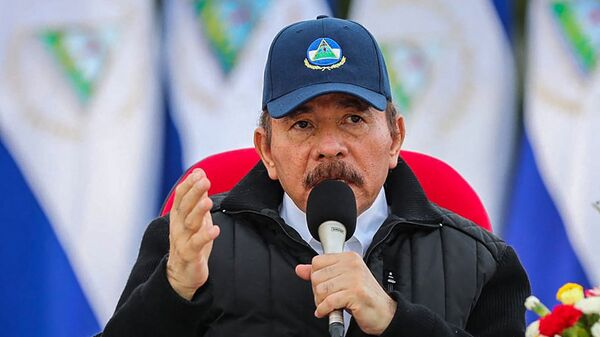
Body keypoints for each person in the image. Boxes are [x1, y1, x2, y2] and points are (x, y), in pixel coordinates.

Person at [98, 16, 530, 337]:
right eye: (303, 125)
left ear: (395, 137)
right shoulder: (189, 249)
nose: (330, 145)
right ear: (266, 149)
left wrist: (396, 320)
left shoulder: (481, 263)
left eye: (353, 119)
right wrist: (173, 291)